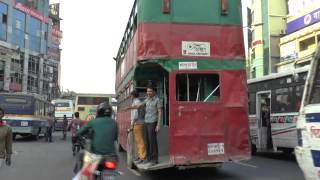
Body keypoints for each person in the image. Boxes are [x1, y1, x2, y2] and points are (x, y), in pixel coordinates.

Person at [129, 86, 163, 166]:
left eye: (150, 91)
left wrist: (158, 125)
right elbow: (139, 106)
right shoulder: (147, 99)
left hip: (153, 122)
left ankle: (154, 160)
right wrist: (129, 107)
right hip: (146, 122)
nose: (148, 93)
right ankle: (148, 158)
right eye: (147, 91)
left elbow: (160, 112)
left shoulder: (157, 100)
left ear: (154, 92)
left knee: (152, 141)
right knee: (147, 141)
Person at [130, 90, 146, 164]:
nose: (130, 97)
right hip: (141, 122)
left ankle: (142, 157)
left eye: (131, 95)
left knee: (139, 141)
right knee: (139, 140)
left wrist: (132, 123)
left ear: (133, 96)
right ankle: (140, 156)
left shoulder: (136, 102)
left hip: (138, 123)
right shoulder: (138, 101)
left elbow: (135, 114)